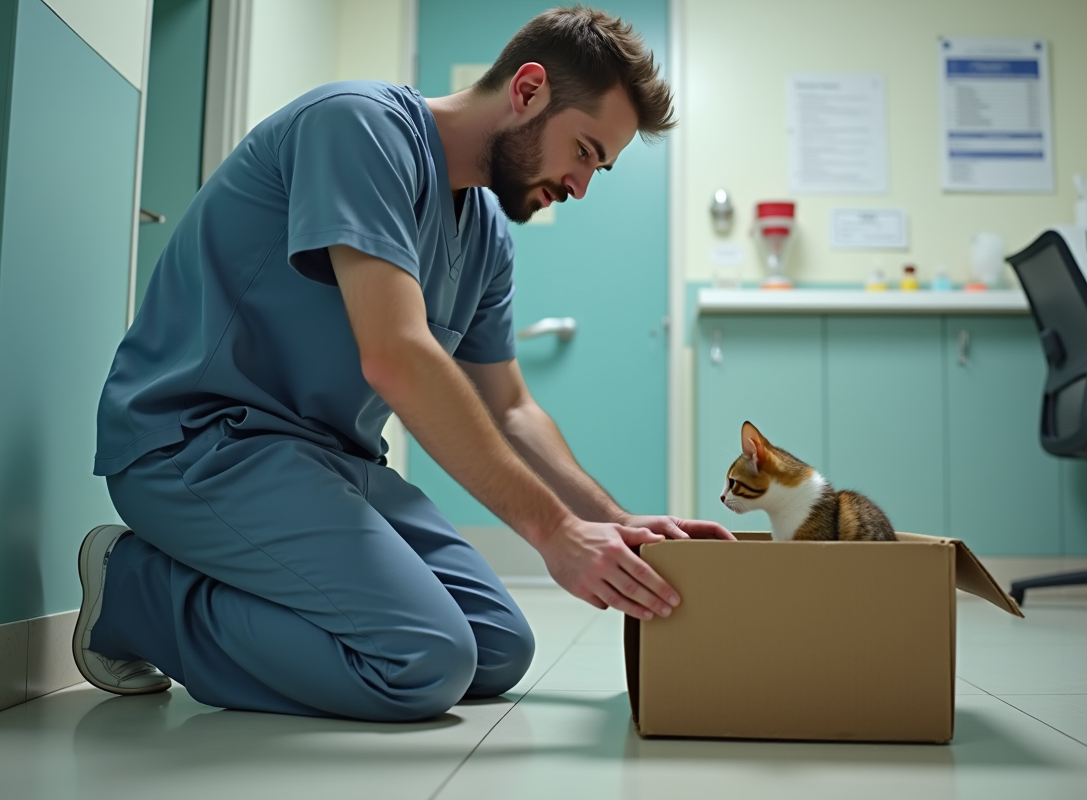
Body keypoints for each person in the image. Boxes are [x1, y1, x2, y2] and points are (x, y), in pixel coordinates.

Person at [72, 6, 733, 722]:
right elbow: (395, 354)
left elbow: (510, 408)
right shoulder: (358, 126)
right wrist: (554, 534)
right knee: (422, 662)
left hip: (330, 462)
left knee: (497, 648)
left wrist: (612, 519)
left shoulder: (487, 240)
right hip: (200, 443)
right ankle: (133, 589)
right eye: (584, 151)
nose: (581, 186)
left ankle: (237, 580)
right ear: (529, 89)